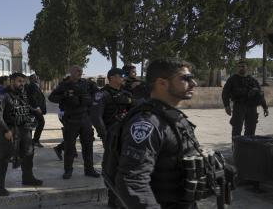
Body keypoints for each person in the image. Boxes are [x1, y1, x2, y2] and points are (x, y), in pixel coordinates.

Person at [115, 58, 201, 208]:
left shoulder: (172, 116)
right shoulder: (147, 123)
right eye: (185, 79)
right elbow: (132, 182)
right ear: (162, 83)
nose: (194, 83)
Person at [0, 72, 43, 196]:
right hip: (10, 130)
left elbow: (24, 106)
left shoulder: (22, 94)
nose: (22, 84)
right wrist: (5, 130)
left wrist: (34, 110)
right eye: (19, 81)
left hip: (24, 128)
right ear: (12, 81)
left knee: (29, 153)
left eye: (23, 81)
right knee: (4, 158)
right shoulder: (2, 95)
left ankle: (28, 178)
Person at [89, 68, 133, 208]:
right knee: (112, 169)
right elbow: (96, 117)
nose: (124, 78)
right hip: (112, 137)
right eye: (122, 75)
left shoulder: (126, 93)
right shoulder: (102, 94)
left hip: (127, 137)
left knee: (127, 169)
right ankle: (113, 201)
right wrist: (106, 136)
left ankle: (123, 199)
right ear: (112, 77)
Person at [48, 65, 100, 180]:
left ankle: (89, 170)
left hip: (85, 118)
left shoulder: (87, 84)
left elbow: (98, 95)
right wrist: (65, 95)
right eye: (77, 70)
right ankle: (68, 170)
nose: (80, 72)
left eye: (81, 70)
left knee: (88, 145)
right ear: (71, 72)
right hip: (71, 118)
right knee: (69, 147)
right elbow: (52, 98)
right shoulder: (64, 85)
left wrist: (91, 101)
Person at [222, 60, 269, 138]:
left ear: (247, 68)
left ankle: (248, 148)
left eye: (243, 66)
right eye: (239, 67)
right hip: (239, 107)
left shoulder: (253, 80)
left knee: (251, 130)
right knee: (237, 129)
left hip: (252, 108)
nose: (241, 68)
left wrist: (265, 108)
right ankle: (236, 148)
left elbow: (260, 94)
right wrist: (227, 106)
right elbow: (225, 93)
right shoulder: (232, 79)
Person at [25, 74, 47, 147]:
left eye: (37, 77)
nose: (37, 78)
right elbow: (32, 98)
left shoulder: (34, 85)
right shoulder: (32, 86)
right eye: (35, 77)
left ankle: (33, 140)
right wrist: (37, 108)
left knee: (35, 123)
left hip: (35, 109)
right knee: (41, 122)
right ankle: (34, 140)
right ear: (31, 79)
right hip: (35, 109)